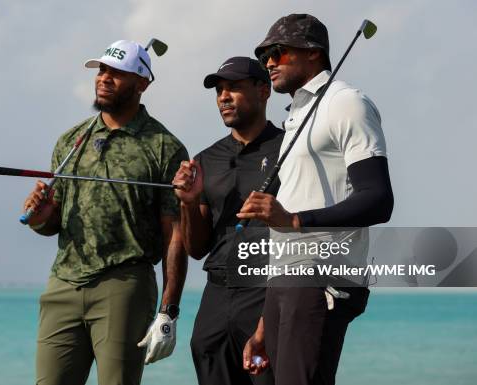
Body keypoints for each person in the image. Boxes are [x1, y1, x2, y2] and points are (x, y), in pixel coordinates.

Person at [23, 39, 189, 385]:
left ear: (141, 83)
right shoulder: (71, 140)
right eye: (102, 70)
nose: (104, 78)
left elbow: (175, 233)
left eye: (117, 72)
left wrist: (167, 310)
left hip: (124, 285)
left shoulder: (164, 146)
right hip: (63, 284)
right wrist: (41, 215)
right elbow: (52, 223)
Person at [240, 14, 394, 385]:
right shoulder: (296, 114)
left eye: (278, 52)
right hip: (287, 281)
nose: (269, 63)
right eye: (264, 56)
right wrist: (265, 321)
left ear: (313, 53)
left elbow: (378, 199)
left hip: (320, 279)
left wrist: (295, 220)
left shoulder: (346, 103)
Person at [173, 56, 283, 385]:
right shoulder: (205, 159)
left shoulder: (289, 150)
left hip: (266, 291)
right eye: (219, 90)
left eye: (234, 88)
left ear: (264, 91)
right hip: (216, 295)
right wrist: (189, 204)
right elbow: (196, 248)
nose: (224, 96)